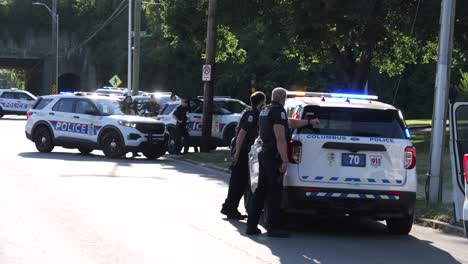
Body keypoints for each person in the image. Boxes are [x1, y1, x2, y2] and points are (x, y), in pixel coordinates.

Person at [246, 87, 320, 237]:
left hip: (265, 153)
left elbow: (289, 123)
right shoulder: (278, 111)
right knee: (274, 192)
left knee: (260, 191)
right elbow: (280, 137)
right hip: (274, 156)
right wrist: (285, 160)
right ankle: (273, 228)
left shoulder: (266, 110)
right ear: (282, 98)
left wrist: (308, 121)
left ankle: (251, 226)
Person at [221, 92, 266, 219]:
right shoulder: (251, 116)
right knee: (238, 182)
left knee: (240, 182)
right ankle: (230, 208)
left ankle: (229, 207)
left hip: (245, 152)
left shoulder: (252, 113)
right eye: (264, 102)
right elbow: (241, 134)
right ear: (261, 102)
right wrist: (237, 153)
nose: (265, 104)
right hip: (243, 152)